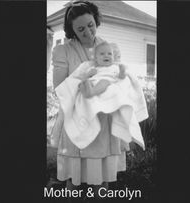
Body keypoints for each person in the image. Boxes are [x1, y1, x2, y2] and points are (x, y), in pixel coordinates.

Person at [51, 0, 131, 201]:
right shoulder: (63, 51)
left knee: (101, 179)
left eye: (90, 25)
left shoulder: (107, 47)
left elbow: (117, 77)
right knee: (74, 180)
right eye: (80, 29)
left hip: (103, 120)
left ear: (96, 21)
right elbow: (60, 88)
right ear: (72, 31)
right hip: (76, 120)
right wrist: (84, 77)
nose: (88, 32)